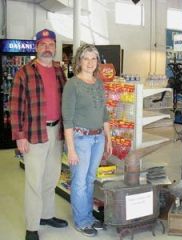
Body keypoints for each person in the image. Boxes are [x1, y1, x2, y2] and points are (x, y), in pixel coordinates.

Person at [10, 29, 68, 240]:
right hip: (34, 133)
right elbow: (15, 106)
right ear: (36, 47)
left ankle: (46, 215)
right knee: (34, 180)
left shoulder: (59, 70)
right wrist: (19, 135)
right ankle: (32, 226)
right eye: (42, 44)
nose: (47, 48)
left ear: (54, 46)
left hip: (57, 131)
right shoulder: (24, 72)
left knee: (51, 177)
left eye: (50, 44)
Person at [62, 44, 112, 237]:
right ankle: (81, 221)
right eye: (86, 58)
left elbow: (104, 112)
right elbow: (68, 119)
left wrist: (108, 138)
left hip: (98, 137)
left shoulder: (98, 83)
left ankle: (89, 216)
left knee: (90, 180)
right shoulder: (72, 84)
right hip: (80, 139)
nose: (90, 62)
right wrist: (71, 149)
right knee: (80, 182)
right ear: (79, 61)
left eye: (94, 58)